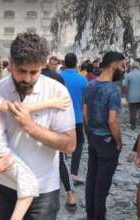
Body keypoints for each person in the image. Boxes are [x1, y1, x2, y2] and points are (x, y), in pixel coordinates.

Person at [0, 33, 76, 220]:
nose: (27, 78)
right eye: (21, 71)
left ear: (44, 65)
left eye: (34, 72)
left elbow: (70, 145)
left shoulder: (57, 93)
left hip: (43, 191)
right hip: (1, 187)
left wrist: (31, 127)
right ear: (10, 63)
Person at [83, 51, 126, 220]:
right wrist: (119, 142)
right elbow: (113, 121)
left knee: (91, 178)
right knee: (102, 184)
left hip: (93, 137)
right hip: (107, 140)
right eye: (122, 65)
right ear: (114, 65)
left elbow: (86, 113)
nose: (124, 69)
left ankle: (90, 215)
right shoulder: (113, 90)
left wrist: (90, 134)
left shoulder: (90, 85)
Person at [41, 61, 77, 212]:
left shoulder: (25, 78)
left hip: (39, 123)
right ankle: (70, 194)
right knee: (61, 159)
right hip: (55, 124)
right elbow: (65, 102)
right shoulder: (57, 78)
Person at [60, 53, 88, 184]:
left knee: (62, 144)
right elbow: (85, 102)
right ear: (76, 63)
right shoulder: (83, 80)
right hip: (77, 118)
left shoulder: (58, 77)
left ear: (64, 63)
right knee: (79, 145)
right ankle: (74, 172)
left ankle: (62, 170)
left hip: (60, 118)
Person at [123, 61, 140, 130]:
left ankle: (133, 126)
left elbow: (125, 86)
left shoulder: (128, 75)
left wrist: (125, 96)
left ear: (131, 67)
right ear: (138, 67)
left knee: (132, 112)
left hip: (131, 97)